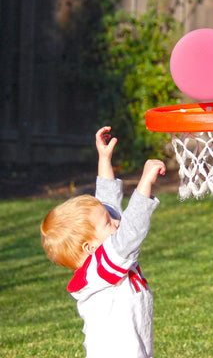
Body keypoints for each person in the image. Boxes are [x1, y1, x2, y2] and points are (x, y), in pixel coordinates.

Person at [40, 126, 166, 358]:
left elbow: (106, 206)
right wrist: (145, 184)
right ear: (90, 247)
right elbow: (131, 233)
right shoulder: (101, 268)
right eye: (109, 223)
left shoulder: (99, 259)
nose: (117, 222)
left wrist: (105, 159)